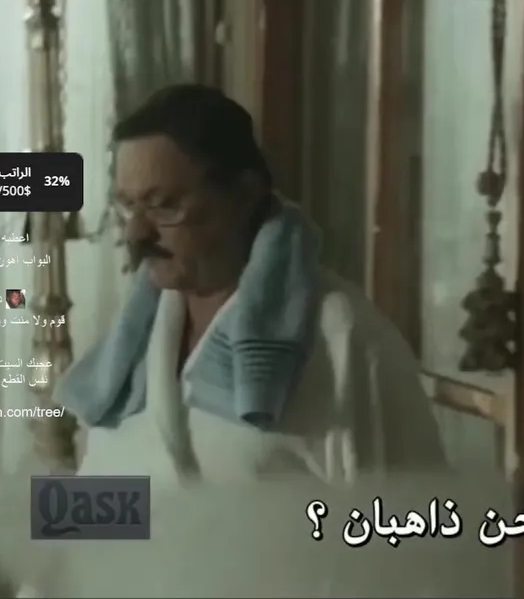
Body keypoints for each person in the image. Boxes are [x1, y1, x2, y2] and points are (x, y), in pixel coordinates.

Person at [52, 83, 446, 481]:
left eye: (165, 204)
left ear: (243, 195)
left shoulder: (342, 338)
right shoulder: (129, 352)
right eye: (127, 206)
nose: (136, 233)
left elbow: (410, 510)